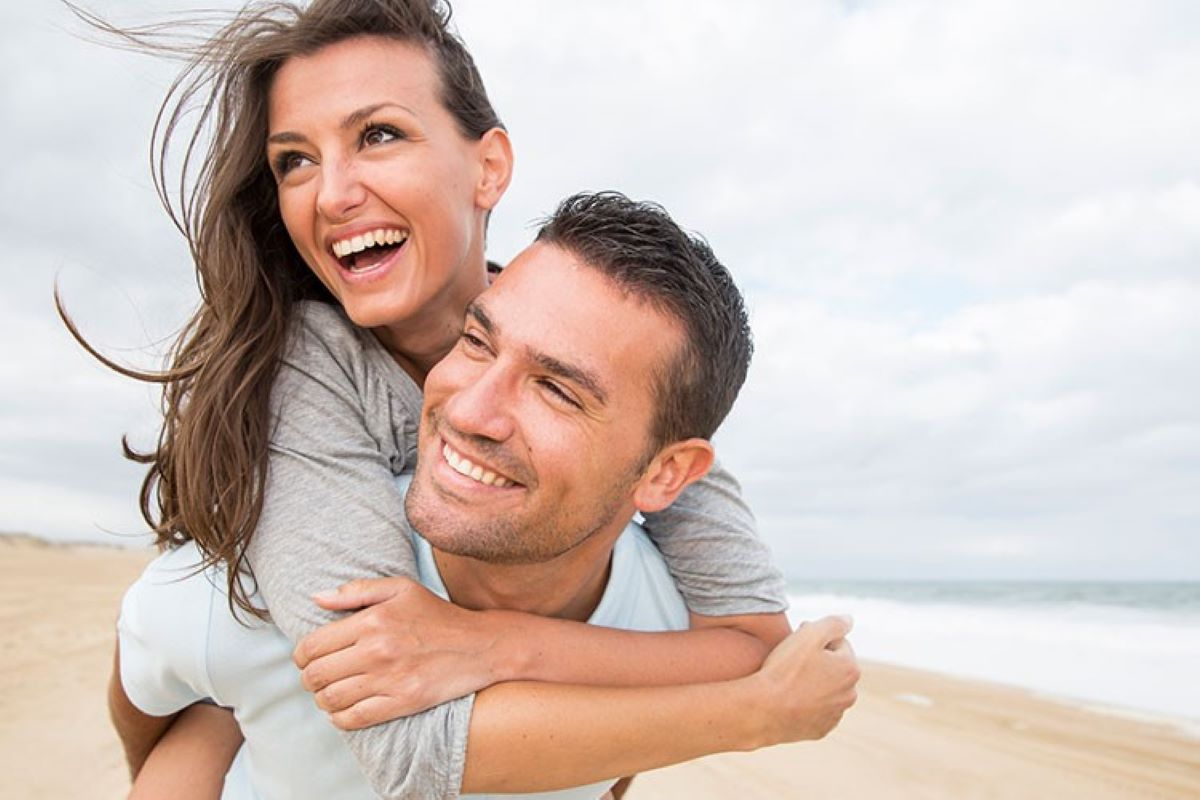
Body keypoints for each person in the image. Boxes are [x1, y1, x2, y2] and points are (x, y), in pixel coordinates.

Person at [59, 0, 854, 796]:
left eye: (378, 135)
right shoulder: (305, 373)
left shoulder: (605, 353)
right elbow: (400, 736)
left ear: (489, 168)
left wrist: (498, 643)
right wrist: (755, 718)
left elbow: (753, 640)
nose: (330, 194)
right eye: (294, 160)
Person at [117, 191, 860, 799]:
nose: (470, 410)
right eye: (477, 342)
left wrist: (499, 649)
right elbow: (150, 694)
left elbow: (616, 763)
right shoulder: (265, 595)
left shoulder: (672, 627)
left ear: (667, 475)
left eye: (558, 390)